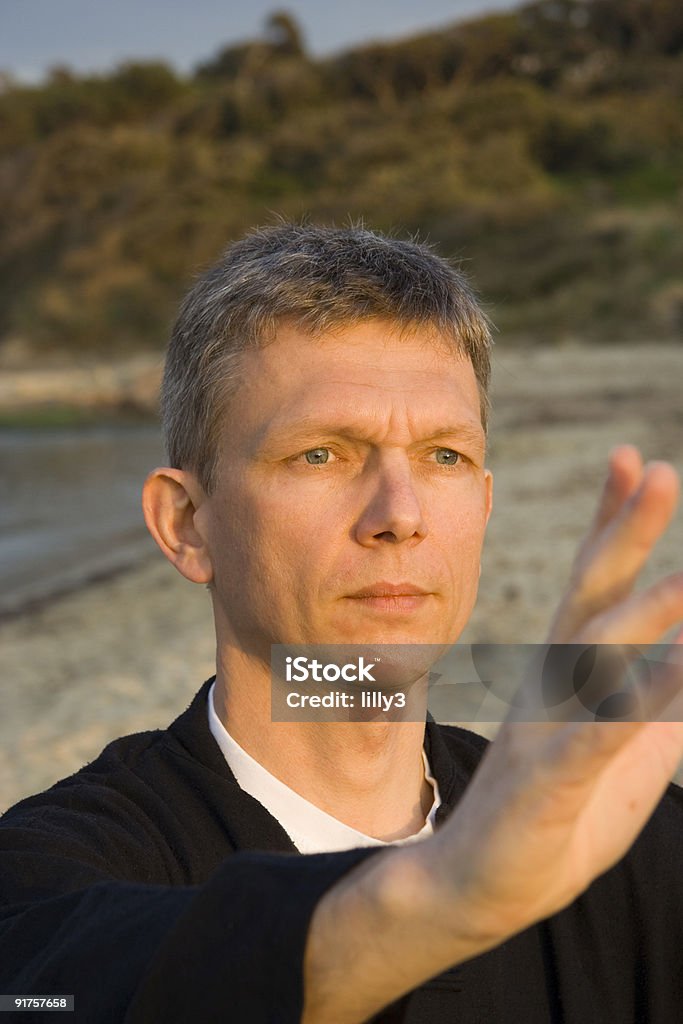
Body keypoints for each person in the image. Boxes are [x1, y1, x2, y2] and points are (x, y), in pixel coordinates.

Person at [1, 222, 683, 1024]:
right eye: (321, 454)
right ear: (186, 523)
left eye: (443, 457)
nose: (400, 515)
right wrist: (444, 891)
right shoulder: (50, 867)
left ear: (485, 508)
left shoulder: (633, 842)